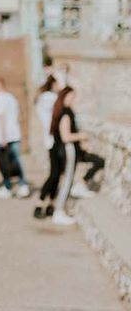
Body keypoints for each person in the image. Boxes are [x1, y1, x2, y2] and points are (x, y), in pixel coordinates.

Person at [49, 87, 105, 225]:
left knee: (67, 179)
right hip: (68, 149)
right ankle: (58, 211)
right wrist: (82, 136)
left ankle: (60, 210)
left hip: (67, 149)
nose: (73, 99)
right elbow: (66, 136)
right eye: (71, 96)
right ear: (64, 97)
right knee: (67, 180)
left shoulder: (62, 112)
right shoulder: (66, 114)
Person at [0, 78, 30, 199]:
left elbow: (1, 118)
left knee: (4, 163)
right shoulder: (12, 98)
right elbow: (20, 115)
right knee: (16, 161)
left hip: (3, 136)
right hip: (14, 134)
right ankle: (23, 185)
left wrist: (3, 137)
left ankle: (7, 186)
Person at [33, 75, 60, 219]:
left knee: (56, 173)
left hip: (51, 140)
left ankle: (50, 203)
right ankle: (40, 202)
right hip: (53, 140)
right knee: (54, 173)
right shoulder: (48, 97)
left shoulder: (44, 98)